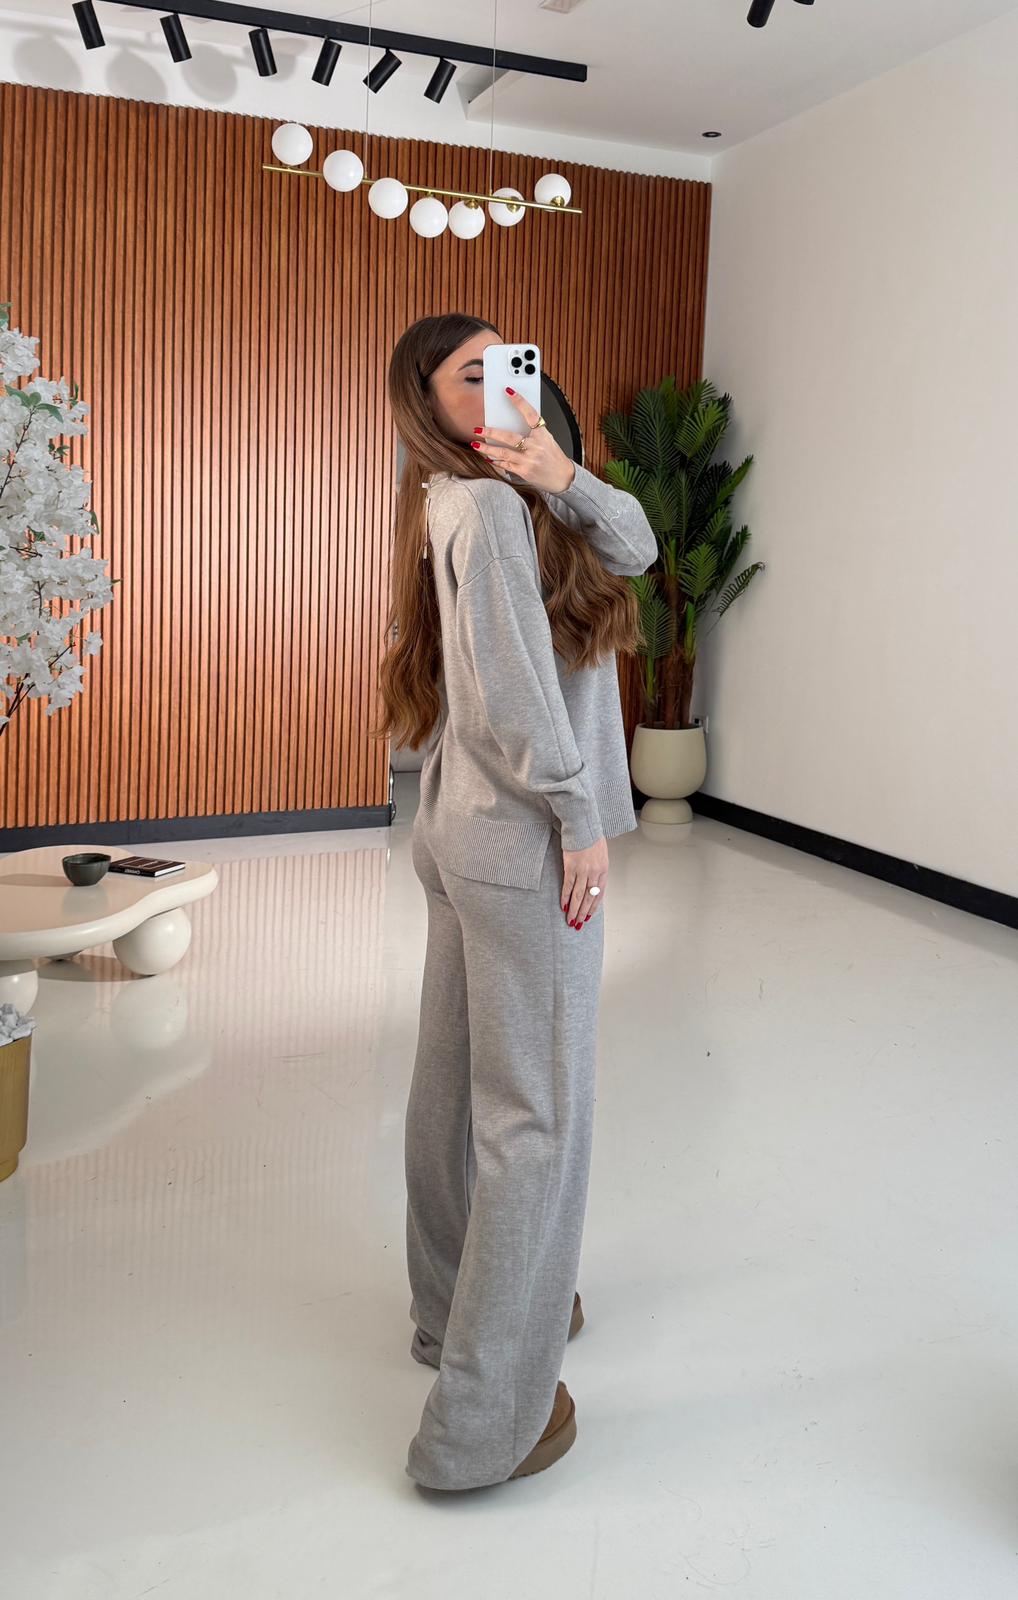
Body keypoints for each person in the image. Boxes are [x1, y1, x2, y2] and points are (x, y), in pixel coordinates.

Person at [372, 313, 657, 1491]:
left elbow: (637, 546)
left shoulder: (480, 498)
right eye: (468, 374)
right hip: (525, 842)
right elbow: (510, 695)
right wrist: (578, 815)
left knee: (453, 1093)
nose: (498, 384)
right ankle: (485, 1423)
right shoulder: (485, 512)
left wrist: (562, 473)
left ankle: (455, 1311)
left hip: (461, 830)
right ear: (427, 403)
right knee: (536, 1116)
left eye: (509, 364)